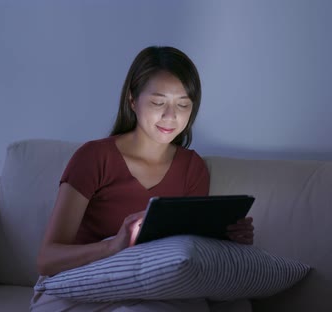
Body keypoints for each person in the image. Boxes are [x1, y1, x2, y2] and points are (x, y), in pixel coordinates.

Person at [31, 46, 254, 312]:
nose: (171, 116)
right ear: (132, 100)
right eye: (158, 103)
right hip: (84, 283)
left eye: (183, 104)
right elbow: (47, 259)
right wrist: (113, 247)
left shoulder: (192, 168)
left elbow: (184, 250)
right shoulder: (94, 157)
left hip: (151, 285)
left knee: (236, 303)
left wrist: (227, 240)